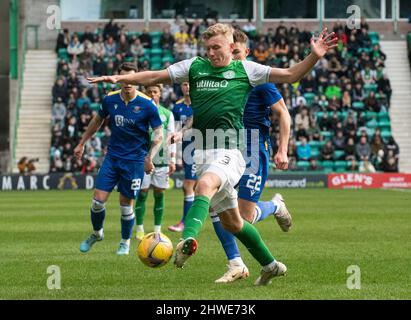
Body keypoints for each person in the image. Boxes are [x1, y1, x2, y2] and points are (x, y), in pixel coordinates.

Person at [88, 23, 337, 285]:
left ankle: (188, 239)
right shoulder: (194, 66)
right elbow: (153, 77)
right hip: (203, 151)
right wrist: (120, 79)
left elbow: (290, 74)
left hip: (233, 151)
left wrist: (314, 55)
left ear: (231, 47)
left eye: (216, 47)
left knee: (203, 185)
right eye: (207, 48)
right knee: (235, 223)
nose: (211, 53)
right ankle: (271, 265)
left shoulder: (246, 70)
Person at [210, 30, 292, 283]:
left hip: (254, 150)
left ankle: (276, 206)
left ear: (246, 53)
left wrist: (282, 149)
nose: (232, 56)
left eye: (236, 52)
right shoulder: (223, 80)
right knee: (217, 205)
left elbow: (283, 114)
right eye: (229, 51)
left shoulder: (259, 80)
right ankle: (236, 263)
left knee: (243, 217)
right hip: (227, 148)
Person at [76, 62, 163, 256]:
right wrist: (82, 142)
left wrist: (150, 157)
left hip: (134, 161)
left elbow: (159, 134)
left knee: (126, 205)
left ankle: (125, 242)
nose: (127, 83)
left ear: (137, 80)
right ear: (119, 79)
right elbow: (97, 121)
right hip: (113, 157)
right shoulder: (110, 100)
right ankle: (97, 233)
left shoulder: (147, 104)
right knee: (97, 202)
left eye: (131, 79)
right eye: (124, 79)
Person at [135, 84, 176, 241]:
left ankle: (157, 230)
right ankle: (140, 229)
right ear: (145, 93)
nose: (152, 94)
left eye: (155, 92)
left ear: (160, 94)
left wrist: (172, 160)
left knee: (159, 194)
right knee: (142, 194)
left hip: (162, 160)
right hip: (143, 160)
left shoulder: (167, 114)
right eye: (149, 91)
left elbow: (172, 138)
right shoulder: (139, 112)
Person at [168, 82, 196, 232]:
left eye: (190, 84)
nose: (188, 87)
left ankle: (185, 222)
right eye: (185, 84)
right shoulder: (177, 107)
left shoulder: (201, 102)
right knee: (197, 187)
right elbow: (175, 132)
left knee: (188, 186)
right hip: (186, 150)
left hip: (200, 149)